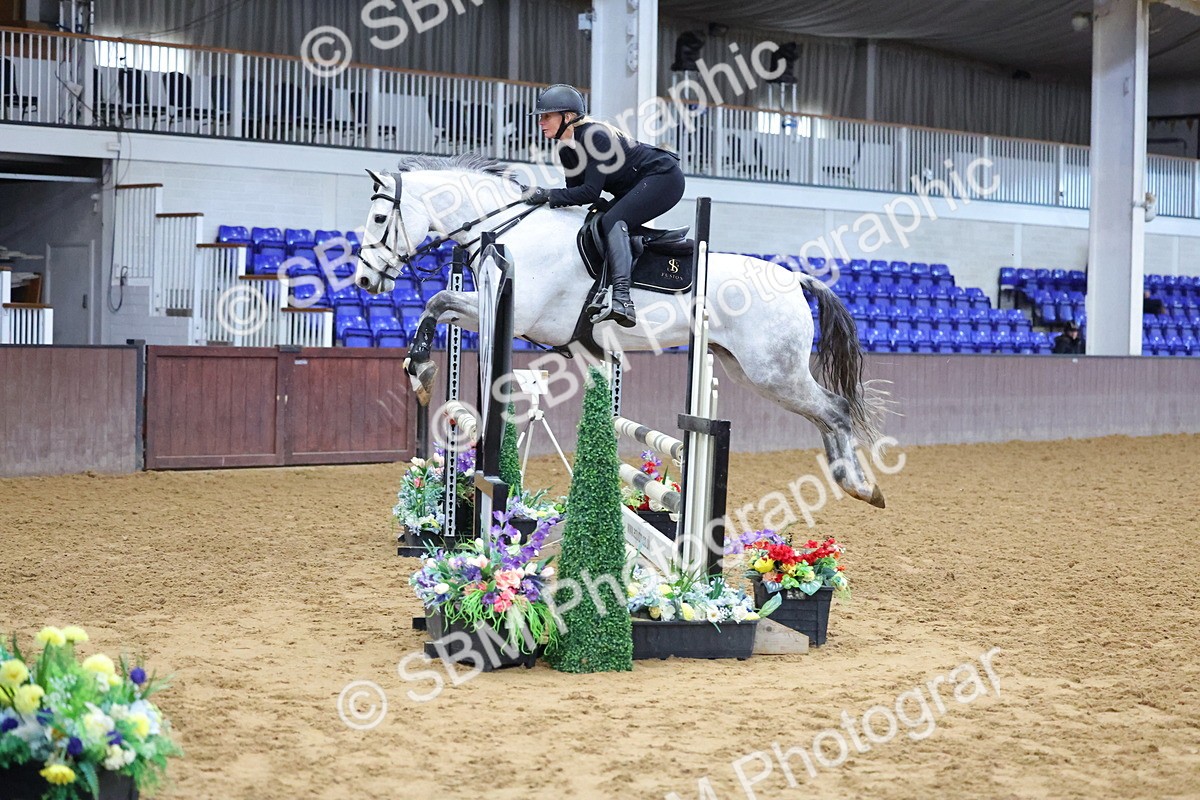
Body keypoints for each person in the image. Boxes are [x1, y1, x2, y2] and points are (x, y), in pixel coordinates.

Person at [522, 84, 685, 328]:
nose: (541, 122)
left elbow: (589, 191)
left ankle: (622, 298)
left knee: (612, 221)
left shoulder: (593, 136)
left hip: (663, 177)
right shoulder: (566, 149)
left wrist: (546, 194)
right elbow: (579, 196)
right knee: (599, 220)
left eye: (546, 116)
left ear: (567, 117)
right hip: (639, 184)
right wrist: (547, 198)